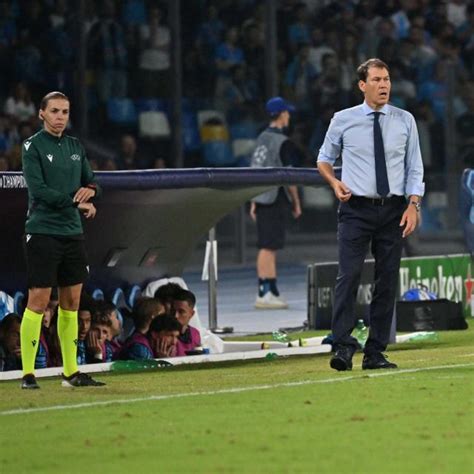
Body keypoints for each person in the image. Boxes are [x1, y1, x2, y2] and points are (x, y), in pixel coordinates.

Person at [317, 58, 424, 371]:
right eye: (376, 80)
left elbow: (414, 166)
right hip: (356, 209)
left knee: (386, 281)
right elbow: (324, 159)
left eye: (387, 79)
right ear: (362, 85)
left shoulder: (405, 120)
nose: (384, 85)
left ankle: (375, 352)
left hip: (393, 210)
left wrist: (413, 204)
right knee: (348, 276)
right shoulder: (343, 119)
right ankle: (342, 347)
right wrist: (334, 182)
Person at [20, 91, 105, 388]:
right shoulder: (32, 147)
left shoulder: (74, 146)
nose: (60, 117)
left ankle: (71, 372)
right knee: (39, 301)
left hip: (72, 234)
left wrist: (91, 191)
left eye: (65, 112)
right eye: (54, 111)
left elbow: (92, 180)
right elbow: (39, 190)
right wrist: (75, 202)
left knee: (71, 303)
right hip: (43, 231)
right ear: (41, 114)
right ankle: (28, 374)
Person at [250, 96, 302, 309]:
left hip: (261, 196)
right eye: (287, 112)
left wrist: (253, 199)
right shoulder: (281, 141)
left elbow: (254, 169)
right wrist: (296, 201)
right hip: (274, 196)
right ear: (281, 114)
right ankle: (265, 292)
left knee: (268, 245)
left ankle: (271, 289)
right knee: (268, 246)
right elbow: (288, 175)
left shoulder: (262, 137)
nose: (289, 115)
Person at [173, 289, 201, 356]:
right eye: (173, 311)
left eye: (181, 312)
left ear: (191, 314)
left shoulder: (195, 334)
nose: (175, 316)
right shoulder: (166, 335)